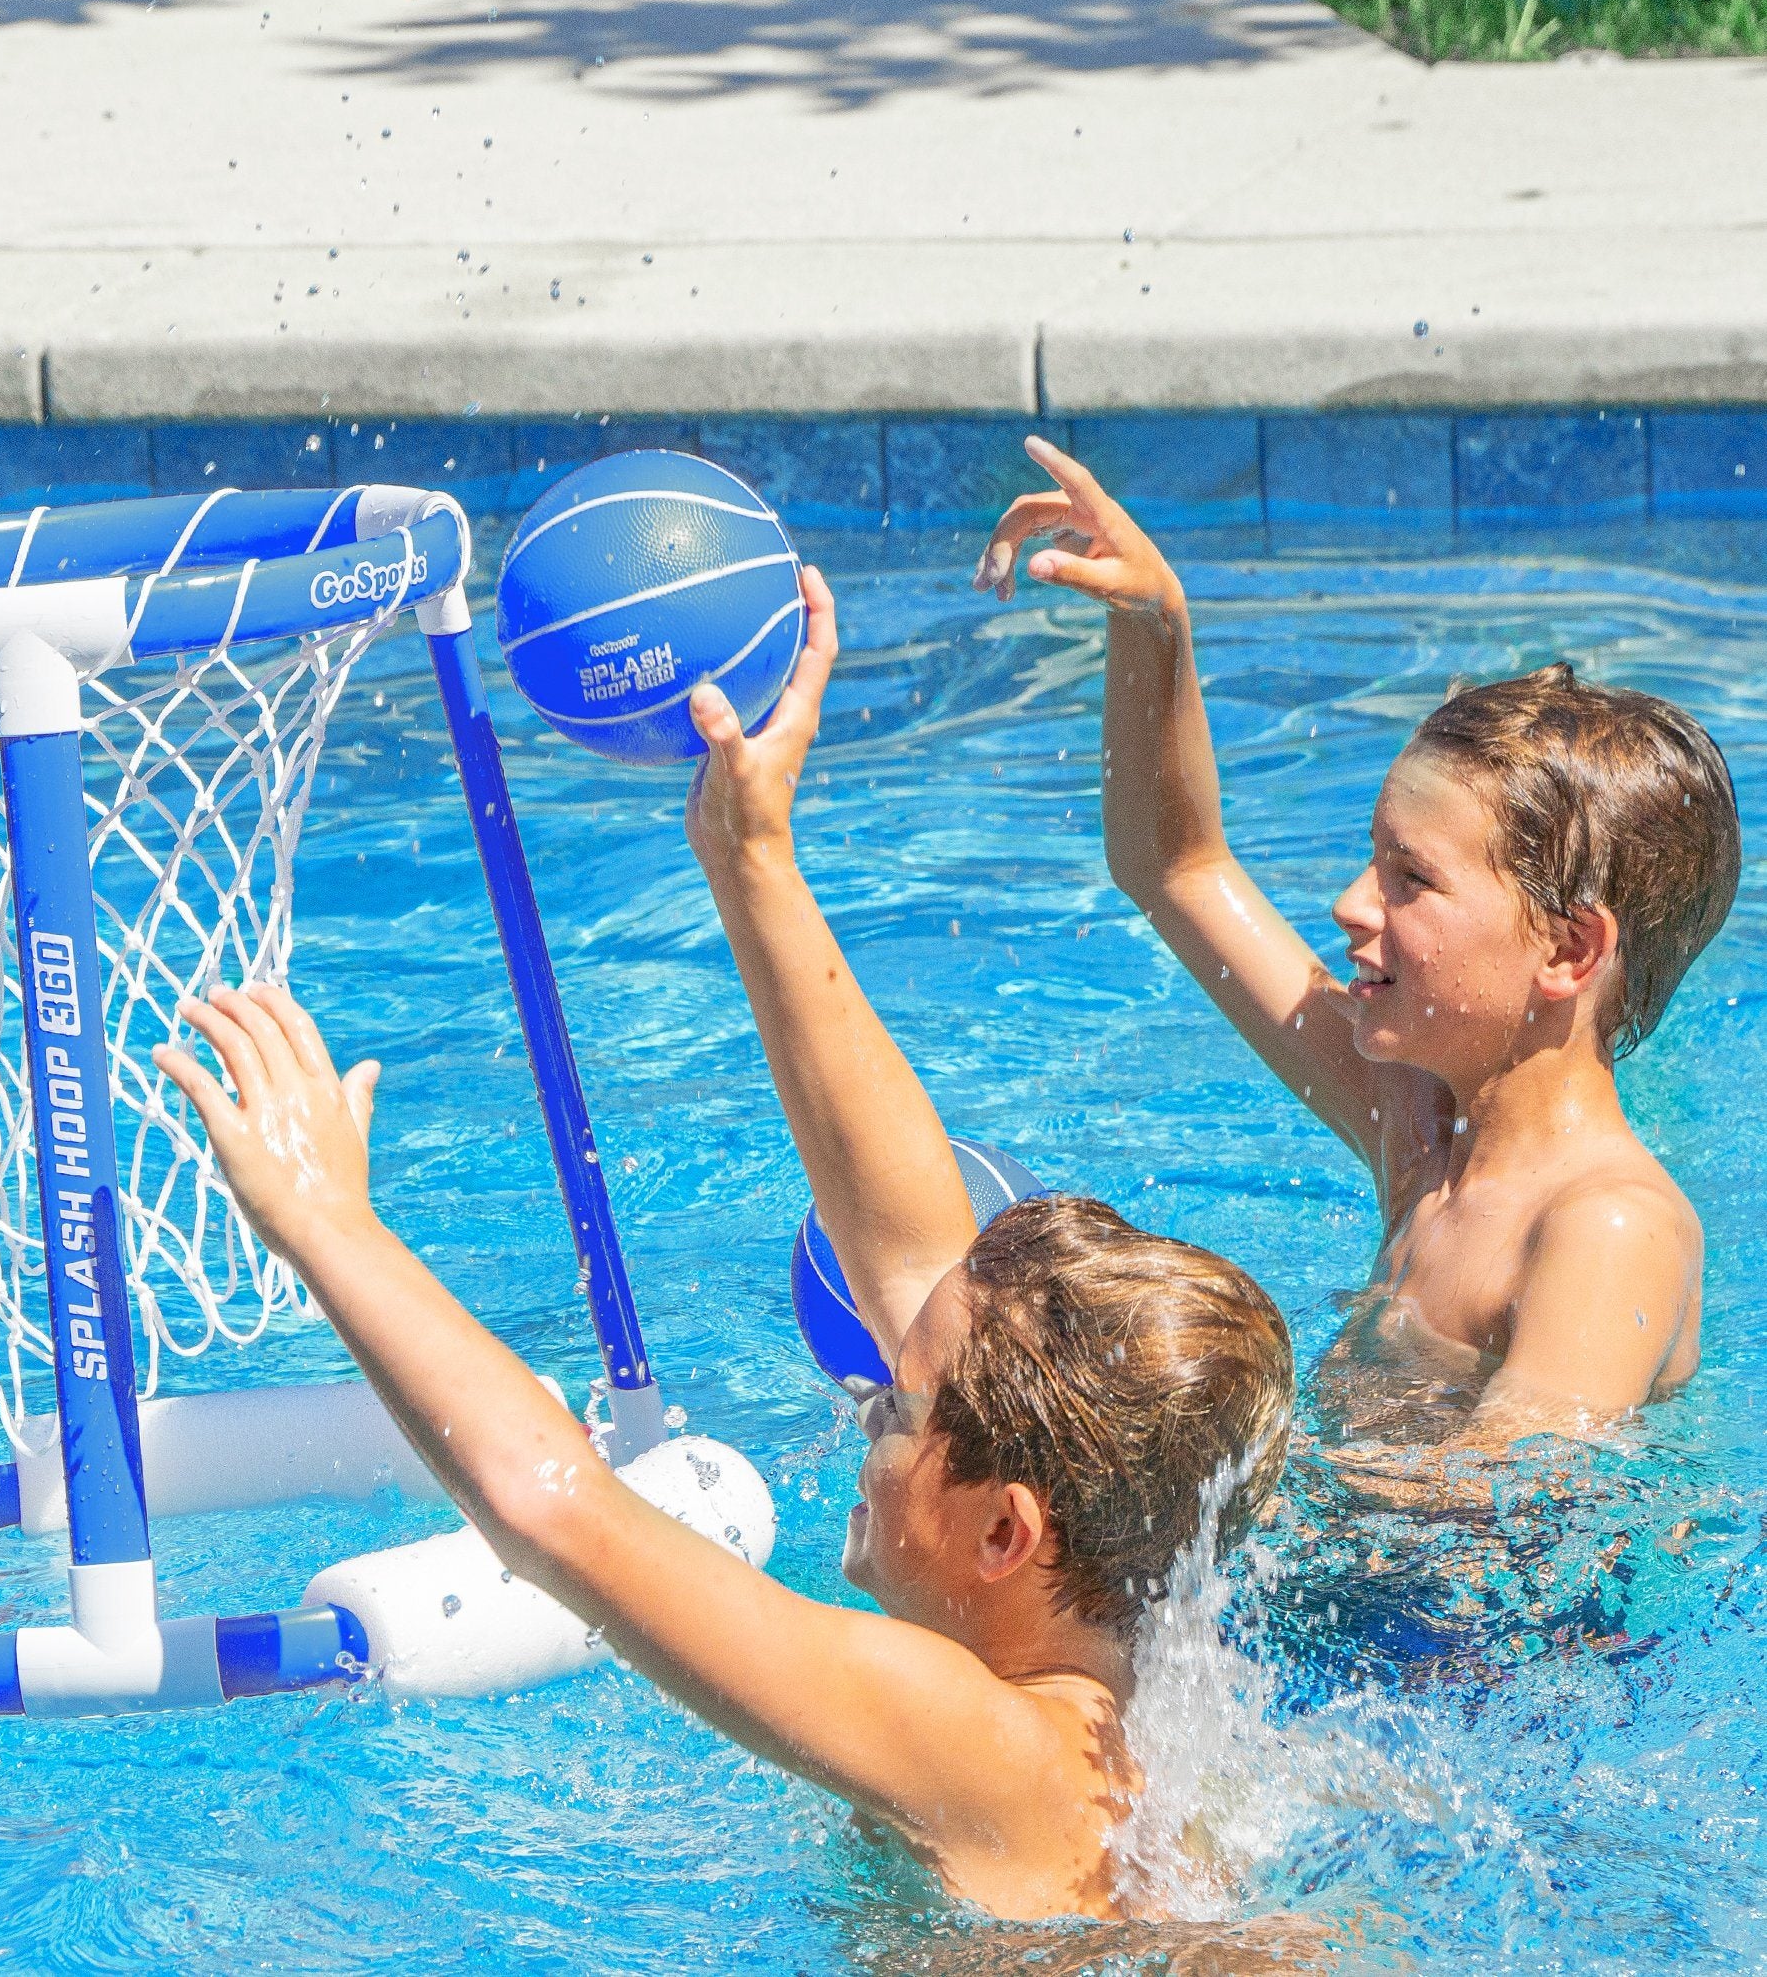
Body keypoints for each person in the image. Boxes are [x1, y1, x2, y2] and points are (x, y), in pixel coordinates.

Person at [154, 570, 1293, 1923]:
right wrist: (752, 857)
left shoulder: (975, 1732)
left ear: (1005, 1531)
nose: (867, 1400)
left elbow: (556, 1510)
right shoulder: (1136, 1685)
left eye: (897, 1404)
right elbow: (906, 1240)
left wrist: (327, 1226)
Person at [976, 437, 1741, 1501]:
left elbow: (1505, 1505)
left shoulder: (1608, 1227)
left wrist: (1148, 1466)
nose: (1347, 904)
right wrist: (1157, 622)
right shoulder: (1418, 1127)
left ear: (1568, 951)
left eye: (1408, 880)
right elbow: (1175, 867)